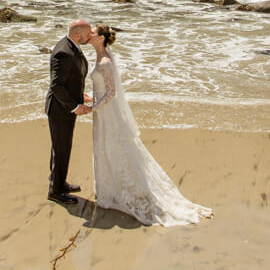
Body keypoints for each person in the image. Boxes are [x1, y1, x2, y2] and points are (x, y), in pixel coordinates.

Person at [87, 23, 213, 226]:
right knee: (107, 146)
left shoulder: (105, 61)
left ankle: (123, 190)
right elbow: (103, 89)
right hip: (104, 111)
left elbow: (111, 93)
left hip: (108, 114)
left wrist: (92, 108)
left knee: (114, 147)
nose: (89, 34)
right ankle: (110, 189)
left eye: (92, 33)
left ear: (100, 38)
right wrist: (91, 98)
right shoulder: (101, 56)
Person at [45, 19, 94, 204]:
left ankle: (59, 182)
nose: (90, 37)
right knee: (61, 148)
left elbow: (70, 78)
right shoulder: (63, 52)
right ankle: (56, 191)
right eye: (88, 34)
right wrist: (74, 107)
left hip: (64, 107)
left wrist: (80, 95)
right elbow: (56, 86)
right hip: (60, 109)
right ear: (78, 35)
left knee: (61, 147)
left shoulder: (71, 46)